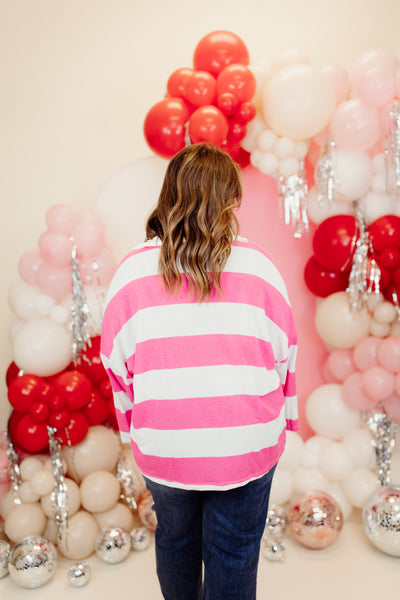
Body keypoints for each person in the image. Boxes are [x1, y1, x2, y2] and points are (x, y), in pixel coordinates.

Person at [100, 143, 298, 600]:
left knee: (175, 541)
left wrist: (136, 433)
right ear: (231, 200)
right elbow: (285, 356)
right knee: (234, 550)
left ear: (169, 195)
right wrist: (282, 420)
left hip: (165, 446)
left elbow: (116, 367)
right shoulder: (260, 267)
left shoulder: (130, 273)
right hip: (247, 443)